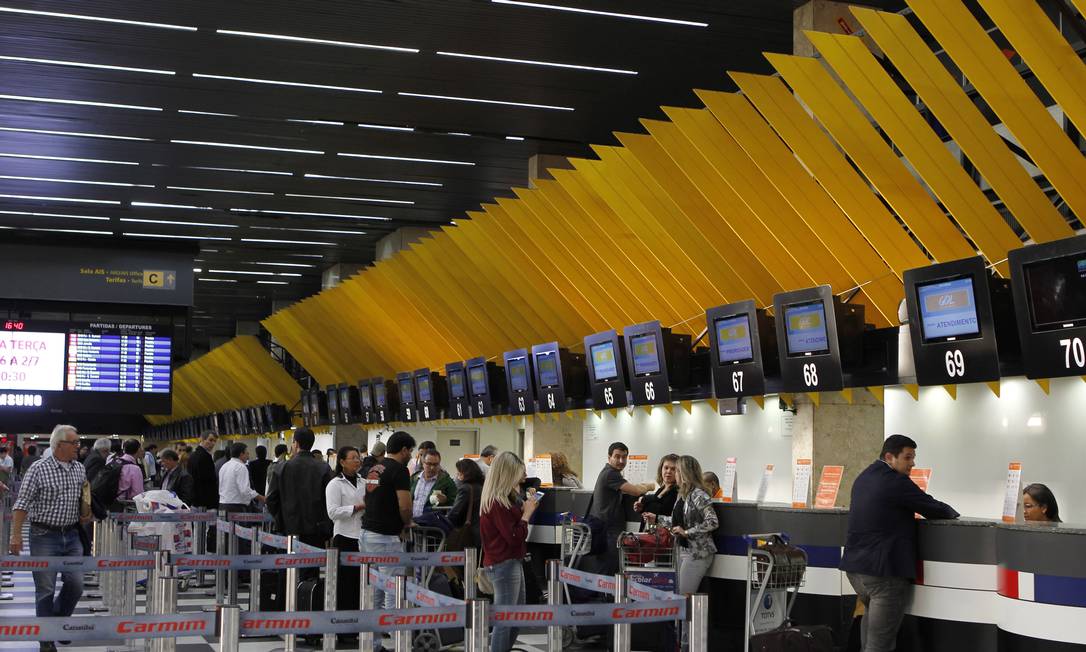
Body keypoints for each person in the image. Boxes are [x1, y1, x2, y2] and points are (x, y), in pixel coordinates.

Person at [841, 434, 959, 652]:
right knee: (880, 644)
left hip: (857, 570)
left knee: (870, 634)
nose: (913, 463)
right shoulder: (894, 481)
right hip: (884, 573)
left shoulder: (864, 477)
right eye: (908, 458)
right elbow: (931, 507)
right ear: (890, 457)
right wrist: (954, 514)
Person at [9, 425, 87, 652]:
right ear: (59, 445)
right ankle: (46, 637)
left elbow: (83, 496)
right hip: (44, 535)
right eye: (74, 443)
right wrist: (16, 535)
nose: (78, 447)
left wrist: (85, 512)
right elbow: (21, 503)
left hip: (71, 535)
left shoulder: (79, 469)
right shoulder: (38, 469)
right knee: (45, 588)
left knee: (76, 584)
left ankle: (57, 624)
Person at [480, 452, 541, 652]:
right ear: (508, 474)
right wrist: (526, 515)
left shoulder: (506, 498)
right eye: (518, 473)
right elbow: (514, 537)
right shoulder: (497, 502)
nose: (521, 478)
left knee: (515, 615)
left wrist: (524, 508)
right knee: (504, 620)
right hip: (503, 563)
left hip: (511, 560)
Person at [362, 430, 415, 637]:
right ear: (403, 450)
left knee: (374, 591)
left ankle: (373, 644)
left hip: (366, 533)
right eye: (410, 451)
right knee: (394, 590)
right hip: (385, 537)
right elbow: (405, 506)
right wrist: (408, 523)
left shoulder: (375, 467)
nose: (411, 455)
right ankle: (398, 640)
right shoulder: (400, 471)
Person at [644, 455, 719, 594]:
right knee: (677, 592)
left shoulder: (699, 495)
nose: (674, 474)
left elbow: (712, 521)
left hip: (697, 552)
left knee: (683, 594)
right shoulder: (682, 495)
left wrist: (687, 532)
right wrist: (657, 519)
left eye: (676, 471)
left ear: (684, 473)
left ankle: (689, 616)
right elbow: (675, 522)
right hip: (682, 549)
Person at [589, 442, 656, 575]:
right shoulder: (611, 474)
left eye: (624, 457)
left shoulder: (610, 473)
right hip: (608, 530)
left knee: (607, 567)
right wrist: (651, 486)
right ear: (609, 457)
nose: (621, 461)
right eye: (617, 456)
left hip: (605, 528)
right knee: (608, 568)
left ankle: (605, 595)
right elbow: (636, 491)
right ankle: (603, 596)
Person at [266, 427, 334, 557]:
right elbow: (329, 498)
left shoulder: (282, 467)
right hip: (317, 528)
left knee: (288, 565)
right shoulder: (323, 468)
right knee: (311, 568)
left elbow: (271, 499)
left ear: (296, 443)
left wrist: (281, 518)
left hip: (289, 527)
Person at [326, 445, 366, 640]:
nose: (357, 461)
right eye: (353, 458)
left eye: (358, 457)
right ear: (342, 462)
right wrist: (355, 507)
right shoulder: (335, 484)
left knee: (360, 583)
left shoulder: (364, 482)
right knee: (345, 584)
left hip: (362, 537)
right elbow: (332, 512)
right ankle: (343, 629)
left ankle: (358, 626)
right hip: (344, 537)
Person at [635, 454, 680, 529]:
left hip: (665, 534)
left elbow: (666, 513)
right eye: (666, 468)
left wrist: (643, 499)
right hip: (651, 530)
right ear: (661, 469)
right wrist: (642, 508)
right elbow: (655, 506)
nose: (668, 471)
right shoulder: (661, 489)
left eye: (673, 469)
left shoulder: (677, 492)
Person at [448, 458, 485, 548]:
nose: (457, 476)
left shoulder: (465, 489)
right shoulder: (482, 487)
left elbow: (455, 513)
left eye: (458, 473)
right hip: (482, 532)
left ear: (465, 473)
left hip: (468, 533)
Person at [410, 449, 456, 518]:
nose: (432, 468)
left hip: (432, 524)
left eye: (435, 464)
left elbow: (455, 502)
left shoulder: (447, 481)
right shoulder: (414, 478)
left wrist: (446, 500)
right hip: (412, 522)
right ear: (423, 463)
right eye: (429, 464)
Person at [219, 442, 264, 513]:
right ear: (241, 454)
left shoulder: (224, 466)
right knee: (239, 524)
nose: (248, 456)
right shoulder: (241, 467)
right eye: (247, 453)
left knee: (224, 524)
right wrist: (262, 498)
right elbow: (245, 490)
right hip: (236, 507)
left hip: (222, 505)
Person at [188, 431, 219, 511]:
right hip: (205, 502)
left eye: (214, 441)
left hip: (195, 499)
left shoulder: (193, 455)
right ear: (202, 439)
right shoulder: (205, 457)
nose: (213, 443)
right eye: (210, 440)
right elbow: (208, 481)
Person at [114, 438, 145, 506]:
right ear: (138, 449)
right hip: (125, 506)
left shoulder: (114, 462)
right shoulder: (135, 468)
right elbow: (137, 493)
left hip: (111, 502)